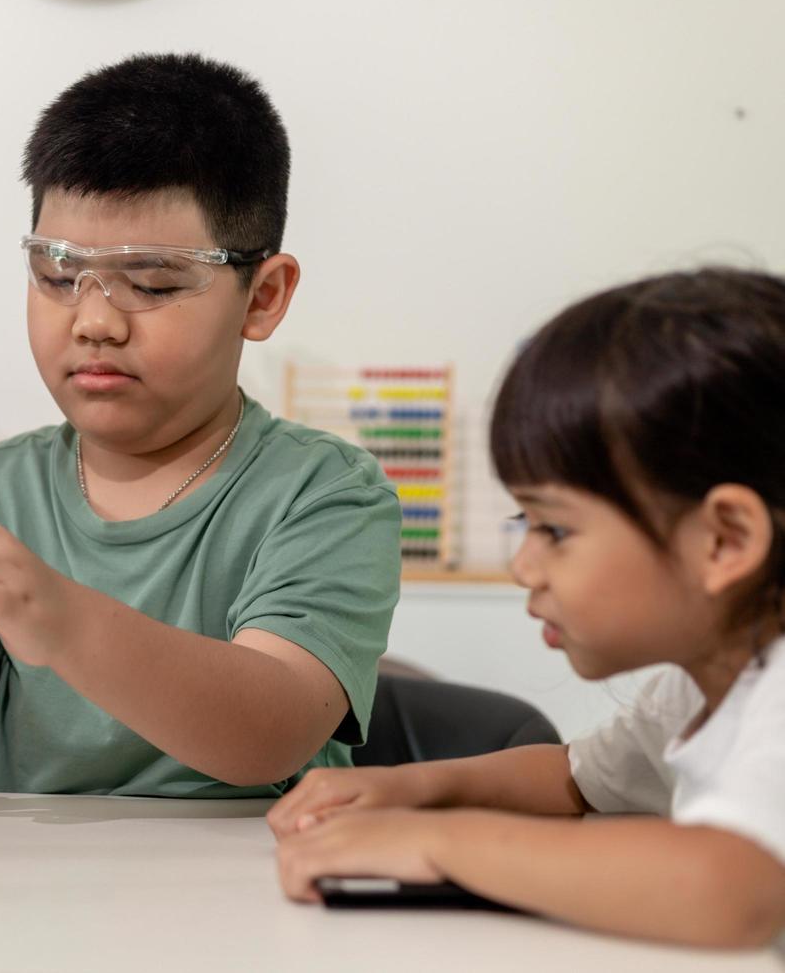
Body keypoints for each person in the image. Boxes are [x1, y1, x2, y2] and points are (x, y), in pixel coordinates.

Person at [0, 54, 401, 797]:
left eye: (154, 282)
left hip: (252, 897)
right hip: (33, 902)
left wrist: (62, 619)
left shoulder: (324, 493)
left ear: (262, 298)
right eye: (59, 276)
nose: (95, 321)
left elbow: (274, 733)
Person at [269, 268, 785, 947]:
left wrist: (438, 842)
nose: (523, 567)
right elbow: (573, 777)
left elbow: (732, 890)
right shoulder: (694, 691)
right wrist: (409, 792)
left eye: (555, 530)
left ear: (725, 540)